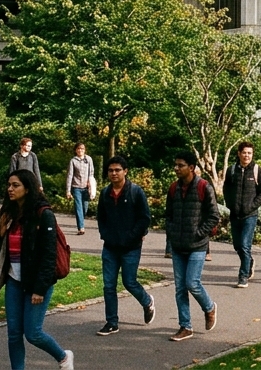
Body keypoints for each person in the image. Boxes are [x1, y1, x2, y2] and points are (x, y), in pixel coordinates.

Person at [0, 169, 74, 369]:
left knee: (33, 333)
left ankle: (63, 357)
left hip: (36, 283)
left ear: (28, 188)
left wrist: (40, 289)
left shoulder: (44, 215)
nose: (10, 189)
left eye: (15, 185)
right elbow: (1, 252)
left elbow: (49, 256)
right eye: (9, 185)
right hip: (14, 281)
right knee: (14, 333)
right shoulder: (9, 214)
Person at [94, 155, 154, 336]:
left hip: (131, 247)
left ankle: (147, 302)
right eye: (111, 170)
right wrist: (105, 235)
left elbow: (145, 218)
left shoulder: (136, 192)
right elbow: (101, 218)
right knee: (108, 286)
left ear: (125, 171)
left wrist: (131, 237)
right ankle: (112, 322)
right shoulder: (105, 193)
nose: (114, 173)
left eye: (117, 170)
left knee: (129, 281)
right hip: (110, 247)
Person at [165, 152, 219, 340]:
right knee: (180, 288)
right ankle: (185, 326)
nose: (176, 168)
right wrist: (171, 233)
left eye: (180, 165)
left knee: (192, 283)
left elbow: (214, 216)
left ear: (191, 167)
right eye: (176, 165)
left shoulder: (204, 187)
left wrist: (199, 232)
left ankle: (209, 307)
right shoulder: (173, 188)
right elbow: (168, 215)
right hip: (178, 246)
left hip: (197, 245)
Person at [222, 141, 261, 288]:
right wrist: (230, 205)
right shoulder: (232, 170)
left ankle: (243, 276)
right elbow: (226, 189)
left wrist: (251, 206)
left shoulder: (256, 170)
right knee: (237, 245)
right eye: (244, 152)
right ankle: (250, 262)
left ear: (252, 154)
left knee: (244, 245)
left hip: (250, 215)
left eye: (249, 153)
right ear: (239, 153)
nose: (247, 155)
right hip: (235, 214)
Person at [65, 143, 97, 236]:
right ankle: (81, 228)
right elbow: (70, 175)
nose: (80, 150)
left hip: (86, 188)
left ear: (85, 150)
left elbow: (91, 172)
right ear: (76, 150)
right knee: (78, 207)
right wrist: (68, 190)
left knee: (84, 208)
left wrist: (90, 183)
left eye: (82, 149)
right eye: (78, 149)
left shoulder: (89, 159)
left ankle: (81, 221)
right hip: (76, 187)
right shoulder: (73, 161)